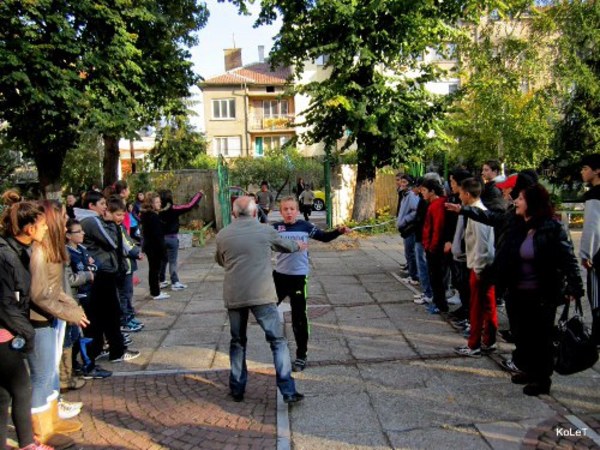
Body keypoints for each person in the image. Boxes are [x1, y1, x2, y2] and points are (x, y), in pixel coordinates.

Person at [215, 196, 306, 404]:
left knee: (238, 341)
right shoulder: (265, 231)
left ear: (233, 213)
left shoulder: (223, 235)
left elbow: (221, 260)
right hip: (262, 294)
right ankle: (288, 390)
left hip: (235, 295)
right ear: (255, 212)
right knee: (277, 341)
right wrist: (298, 245)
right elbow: (286, 246)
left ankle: (237, 389)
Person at [495, 184, 583, 396]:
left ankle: (542, 379)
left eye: (521, 199)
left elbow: (568, 259)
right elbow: (493, 220)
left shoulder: (552, 227)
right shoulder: (517, 224)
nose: (516, 202)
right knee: (521, 335)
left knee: (540, 338)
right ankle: (528, 370)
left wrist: (575, 286)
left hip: (542, 294)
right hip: (516, 292)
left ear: (532, 203)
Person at [28, 200, 90, 444]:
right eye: (62, 218)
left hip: (52, 318)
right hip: (39, 321)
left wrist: (70, 307)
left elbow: (55, 288)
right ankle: (41, 431)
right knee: (42, 376)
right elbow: (40, 294)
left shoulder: (51, 249)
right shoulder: (40, 251)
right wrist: (68, 312)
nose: (66, 224)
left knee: (50, 372)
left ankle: (52, 419)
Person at [0, 194, 55, 450]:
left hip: (10, 330)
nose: (46, 229)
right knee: (21, 389)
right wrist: (27, 333)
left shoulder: (19, 251)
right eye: (43, 225)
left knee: (4, 396)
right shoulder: (7, 256)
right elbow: (6, 304)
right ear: (30, 228)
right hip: (6, 334)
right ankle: (27, 444)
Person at [272, 196, 351, 372]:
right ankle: (276, 345)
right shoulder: (275, 228)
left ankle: (301, 355)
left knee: (299, 317)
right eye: (285, 209)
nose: (289, 212)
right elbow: (264, 243)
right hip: (279, 277)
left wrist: (338, 231)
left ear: (297, 211)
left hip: (298, 277)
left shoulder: (305, 226)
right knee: (267, 310)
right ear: (281, 211)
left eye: (292, 209)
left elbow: (324, 237)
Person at [74, 191, 140, 367]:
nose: (105, 208)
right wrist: (112, 223)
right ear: (91, 206)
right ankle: (116, 351)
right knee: (111, 313)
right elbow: (113, 242)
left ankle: (97, 348)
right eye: (102, 204)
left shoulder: (90, 220)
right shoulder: (92, 220)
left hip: (101, 270)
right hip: (102, 272)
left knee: (99, 314)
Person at [454, 178, 497, 357]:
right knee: (488, 306)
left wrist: (478, 269)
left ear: (467, 194)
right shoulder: (478, 212)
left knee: (477, 308)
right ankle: (489, 340)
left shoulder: (478, 215)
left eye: (460, 193)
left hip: (481, 267)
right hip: (484, 265)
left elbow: (482, 245)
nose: (459, 197)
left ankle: (474, 345)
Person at [65, 219, 112, 381]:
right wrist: (86, 274)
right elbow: (69, 278)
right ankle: (84, 365)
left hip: (90, 294)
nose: (83, 233)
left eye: (82, 230)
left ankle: (87, 362)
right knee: (80, 334)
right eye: (78, 231)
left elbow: (93, 265)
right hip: (77, 298)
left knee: (92, 330)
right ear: (68, 235)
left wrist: (91, 269)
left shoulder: (82, 249)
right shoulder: (67, 253)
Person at [106, 197, 144, 334]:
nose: (121, 218)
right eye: (118, 215)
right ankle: (124, 320)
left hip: (127, 265)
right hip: (122, 266)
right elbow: (125, 245)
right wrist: (136, 253)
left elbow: (129, 241)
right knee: (124, 295)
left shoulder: (120, 226)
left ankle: (129, 316)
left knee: (128, 294)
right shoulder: (113, 228)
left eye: (123, 215)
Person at [158, 190, 203, 291]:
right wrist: (199, 194)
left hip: (161, 239)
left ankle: (161, 280)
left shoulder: (157, 210)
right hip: (172, 238)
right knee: (172, 261)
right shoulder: (174, 208)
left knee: (163, 260)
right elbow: (189, 205)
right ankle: (175, 282)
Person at [580, 153, 600, 346]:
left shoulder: (594, 195)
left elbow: (591, 227)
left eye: (586, 168)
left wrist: (586, 254)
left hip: (598, 256)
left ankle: (597, 337)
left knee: (596, 298)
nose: (582, 172)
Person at [421, 178, 449, 314]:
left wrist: (431, 246)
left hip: (435, 248)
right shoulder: (435, 204)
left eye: (424, 190)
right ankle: (438, 302)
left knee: (436, 277)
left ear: (432, 191)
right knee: (436, 277)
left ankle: (440, 304)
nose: (422, 193)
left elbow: (437, 228)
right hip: (433, 245)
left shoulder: (437, 205)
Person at [141, 192, 169, 300]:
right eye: (157, 202)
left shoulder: (147, 215)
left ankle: (155, 291)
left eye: (159, 201)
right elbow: (157, 235)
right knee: (154, 270)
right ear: (151, 203)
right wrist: (163, 250)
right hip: (154, 247)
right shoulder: (152, 216)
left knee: (154, 269)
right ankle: (155, 292)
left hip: (150, 246)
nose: (159, 204)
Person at [396, 174, 419, 285]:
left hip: (410, 227)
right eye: (401, 181)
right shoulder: (405, 195)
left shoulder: (411, 195)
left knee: (410, 252)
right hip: (405, 227)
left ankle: (414, 276)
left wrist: (405, 220)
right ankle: (412, 274)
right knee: (408, 252)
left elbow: (415, 210)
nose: (402, 184)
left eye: (404, 182)